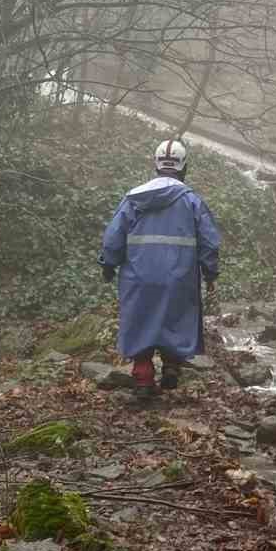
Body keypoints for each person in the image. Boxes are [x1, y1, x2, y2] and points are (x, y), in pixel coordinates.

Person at [99, 139, 220, 397]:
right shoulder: (192, 201)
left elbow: (113, 237)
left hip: (138, 276)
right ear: (184, 166)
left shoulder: (133, 198)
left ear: (155, 164)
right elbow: (210, 241)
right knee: (175, 318)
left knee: (140, 319)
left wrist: (108, 264)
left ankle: (142, 377)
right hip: (180, 277)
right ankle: (172, 368)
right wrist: (210, 273)